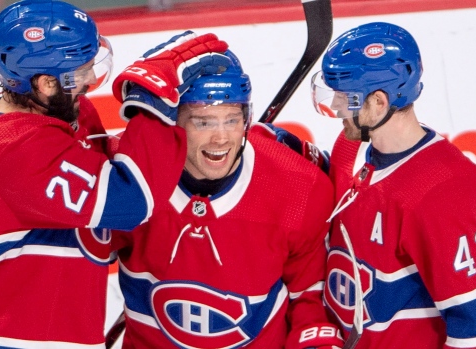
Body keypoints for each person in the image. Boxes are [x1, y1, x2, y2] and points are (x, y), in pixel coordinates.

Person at [0, 0, 231, 347]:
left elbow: (119, 168)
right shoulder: (11, 146)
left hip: (43, 333)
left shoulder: (67, 113)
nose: (88, 81)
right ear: (44, 84)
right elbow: (130, 201)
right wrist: (155, 100)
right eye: (78, 72)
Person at [105, 49, 343, 349]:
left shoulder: (296, 186)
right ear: (171, 123)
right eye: (203, 122)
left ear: (247, 119)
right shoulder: (127, 181)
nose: (220, 138)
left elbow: (310, 299)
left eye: (231, 120)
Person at [310, 22, 476, 348]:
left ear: (378, 102)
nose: (336, 107)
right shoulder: (351, 146)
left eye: (344, 98)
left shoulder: (445, 193)